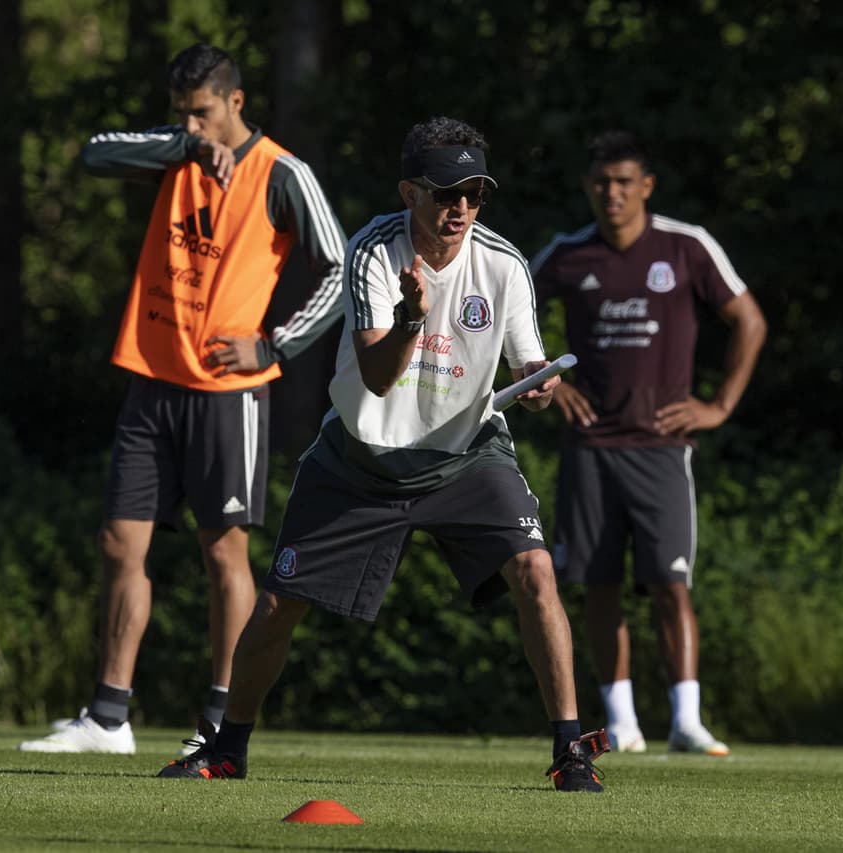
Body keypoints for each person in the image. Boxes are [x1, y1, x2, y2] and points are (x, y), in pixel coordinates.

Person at [156, 116, 610, 792]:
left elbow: (529, 361)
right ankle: (227, 748)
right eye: (444, 193)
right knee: (280, 605)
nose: (459, 209)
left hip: (466, 456)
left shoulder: (505, 264)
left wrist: (540, 383)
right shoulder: (373, 252)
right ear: (408, 192)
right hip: (361, 459)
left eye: (474, 194)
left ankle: (571, 752)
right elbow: (375, 375)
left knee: (536, 571)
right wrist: (410, 320)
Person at [19, 44, 346, 754]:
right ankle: (109, 716)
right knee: (117, 543)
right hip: (152, 376)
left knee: (223, 553)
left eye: (202, 113)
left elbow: (341, 267)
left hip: (227, 393)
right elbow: (93, 155)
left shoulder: (282, 173)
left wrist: (277, 344)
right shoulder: (177, 153)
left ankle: (222, 725)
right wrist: (185, 149)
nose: (193, 125)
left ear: (236, 101)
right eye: (181, 114)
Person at [530, 130, 766, 756]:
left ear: (647, 186)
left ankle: (686, 720)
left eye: (624, 182)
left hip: (663, 448)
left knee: (670, 582)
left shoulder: (685, 247)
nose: (613, 193)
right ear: (589, 188)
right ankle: (623, 722)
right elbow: (501, 311)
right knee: (598, 584)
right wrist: (549, 384)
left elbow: (749, 320)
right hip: (590, 447)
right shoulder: (568, 253)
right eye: (602, 183)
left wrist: (718, 406)